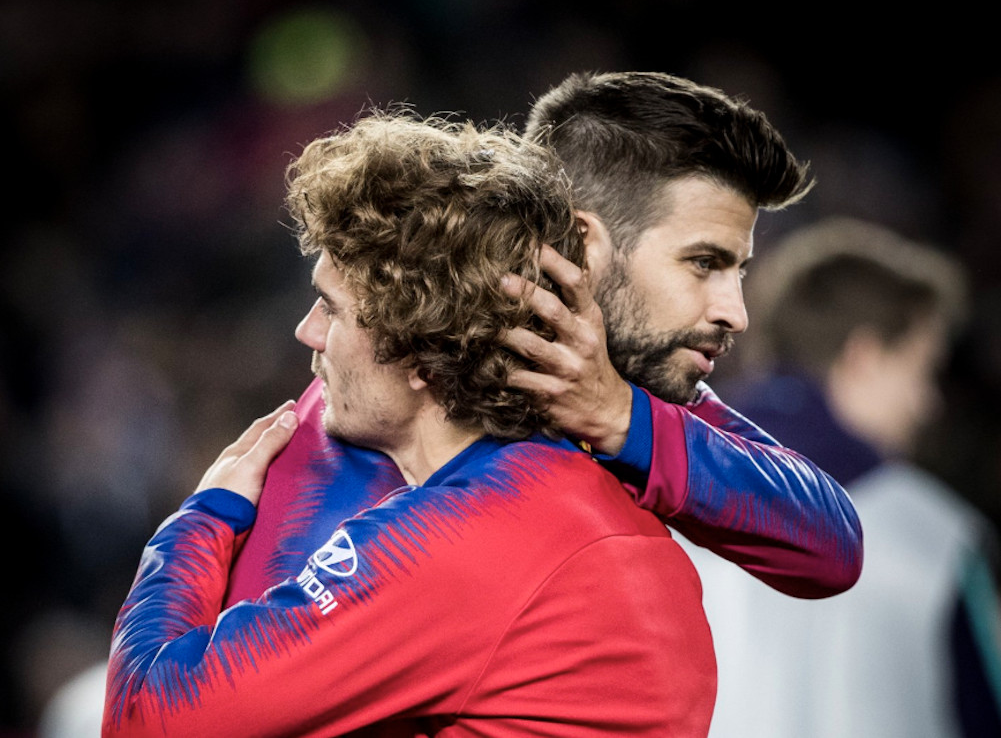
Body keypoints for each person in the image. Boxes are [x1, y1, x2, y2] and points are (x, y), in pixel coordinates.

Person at [102, 112, 717, 737]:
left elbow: (145, 718)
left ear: (422, 355)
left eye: (332, 309)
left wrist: (202, 519)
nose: (307, 332)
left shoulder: (456, 544)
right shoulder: (582, 495)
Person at [226, 71, 863, 610]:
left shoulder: (628, 394)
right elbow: (241, 690)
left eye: (739, 270)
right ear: (585, 247)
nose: (735, 313)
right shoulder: (385, 379)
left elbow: (831, 548)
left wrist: (619, 419)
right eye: (703, 263)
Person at [697, 216, 1001, 737]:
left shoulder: (656, 496)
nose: (927, 404)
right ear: (863, 357)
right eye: (921, 369)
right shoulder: (937, 534)